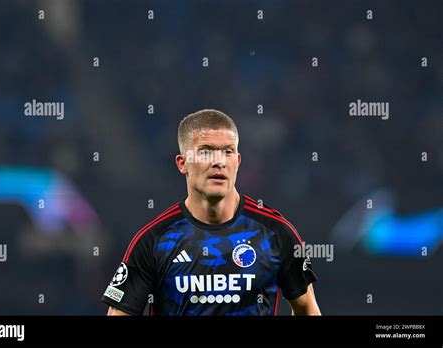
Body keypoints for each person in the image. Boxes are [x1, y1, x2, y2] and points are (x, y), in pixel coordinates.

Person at [102, 109, 320, 315]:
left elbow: (307, 308)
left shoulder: (275, 233)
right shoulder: (154, 241)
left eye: (228, 152)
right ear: (182, 163)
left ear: (238, 160)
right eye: (206, 152)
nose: (219, 162)